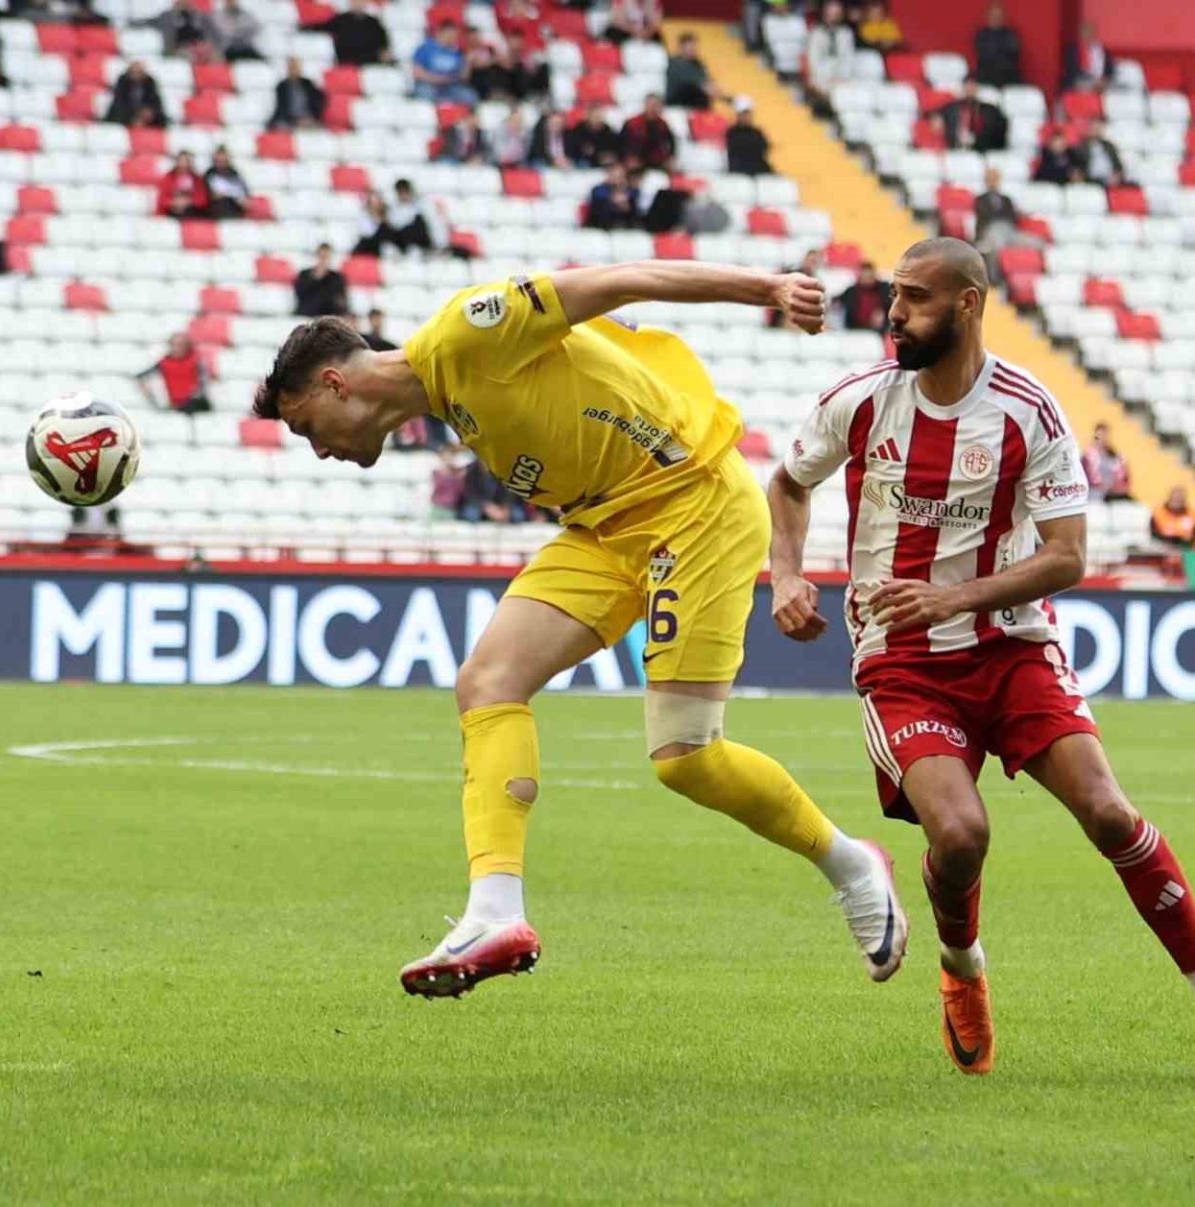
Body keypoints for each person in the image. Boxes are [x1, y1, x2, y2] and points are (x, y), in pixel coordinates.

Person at [250, 261, 907, 1000]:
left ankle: (852, 864)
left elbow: (619, 280)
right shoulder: (449, 398)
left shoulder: (466, 332)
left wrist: (767, 289)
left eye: (307, 428)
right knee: (486, 683)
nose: (320, 449)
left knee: (686, 756)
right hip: (602, 529)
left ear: (335, 384)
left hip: (694, 506)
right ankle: (495, 912)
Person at [766, 235, 1195, 1081]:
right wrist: (786, 573)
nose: (895, 313)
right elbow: (789, 483)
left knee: (1110, 813)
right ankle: (962, 966)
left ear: (968, 304)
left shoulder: (1027, 411)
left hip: (1012, 647)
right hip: (902, 659)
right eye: (894, 294)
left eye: (915, 297)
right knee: (961, 833)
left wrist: (956, 597)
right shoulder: (860, 401)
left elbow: (1068, 555)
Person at [137, 332, 211, 414]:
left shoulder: (196, 360)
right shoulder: (164, 363)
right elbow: (141, 376)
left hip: (195, 402)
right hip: (176, 404)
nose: (177, 348)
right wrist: (150, 394)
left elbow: (203, 384)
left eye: (181, 345)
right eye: (174, 344)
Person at [411, 19, 476, 105]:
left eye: (455, 35)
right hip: (428, 84)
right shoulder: (425, 48)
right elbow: (417, 73)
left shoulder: (456, 53)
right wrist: (438, 79)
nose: (453, 37)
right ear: (440, 33)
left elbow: (463, 78)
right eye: (450, 34)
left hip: (450, 87)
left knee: (469, 96)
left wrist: (467, 62)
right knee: (425, 95)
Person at [806, 0, 857, 106]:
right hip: (822, 77)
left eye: (837, 13)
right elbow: (813, 60)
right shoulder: (816, 33)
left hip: (842, 77)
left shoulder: (846, 33)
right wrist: (826, 77)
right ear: (825, 12)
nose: (834, 16)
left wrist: (842, 76)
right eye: (831, 13)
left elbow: (848, 58)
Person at [941, 78, 1007, 154]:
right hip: (955, 150)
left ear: (977, 88)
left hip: (983, 150)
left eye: (972, 86)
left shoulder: (990, 110)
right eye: (967, 86)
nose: (970, 89)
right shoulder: (951, 108)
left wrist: (976, 140)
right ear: (963, 88)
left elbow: (998, 133)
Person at [320, 0, 392, 67]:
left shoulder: (373, 22)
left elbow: (383, 43)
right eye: (355, 1)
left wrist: (384, 52)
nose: (358, 4)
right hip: (346, 62)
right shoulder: (339, 20)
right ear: (350, 3)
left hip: (370, 62)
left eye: (361, 1)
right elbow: (321, 28)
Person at [141, 0, 214, 60]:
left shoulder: (199, 17)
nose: (185, 4)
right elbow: (149, 22)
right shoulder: (167, 16)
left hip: (196, 47)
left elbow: (206, 33)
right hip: (177, 49)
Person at [621, 94, 676, 171]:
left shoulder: (662, 124)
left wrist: (670, 157)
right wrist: (628, 157)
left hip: (656, 161)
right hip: (635, 161)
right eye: (650, 104)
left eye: (656, 105)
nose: (652, 108)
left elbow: (671, 142)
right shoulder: (632, 123)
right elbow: (621, 143)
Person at [664, 32, 718, 110]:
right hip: (678, 107)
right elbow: (705, 86)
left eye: (694, 47)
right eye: (690, 48)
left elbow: (710, 83)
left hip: (697, 108)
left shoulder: (698, 64)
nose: (693, 49)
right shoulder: (675, 64)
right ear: (681, 48)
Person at [105, 61, 168, 128]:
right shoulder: (123, 82)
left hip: (145, 116)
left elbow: (155, 100)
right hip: (125, 115)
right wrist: (134, 117)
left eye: (139, 72)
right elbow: (120, 102)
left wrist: (149, 112)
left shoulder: (150, 82)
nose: (136, 75)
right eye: (134, 72)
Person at [294, 243, 349, 317]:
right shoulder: (304, 275)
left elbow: (341, 300)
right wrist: (316, 277)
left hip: (328, 315)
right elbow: (300, 294)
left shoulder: (337, 278)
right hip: (307, 313)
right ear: (316, 256)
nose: (323, 260)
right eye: (321, 256)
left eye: (326, 257)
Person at [973, 2, 1020, 88]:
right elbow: (984, 56)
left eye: (999, 16)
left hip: (1008, 76)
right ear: (987, 17)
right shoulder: (981, 35)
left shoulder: (1010, 35)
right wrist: (1000, 51)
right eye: (993, 16)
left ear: (1003, 18)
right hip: (986, 75)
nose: (996, 19)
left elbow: (1013, 54)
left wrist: (996, 51)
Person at [269, 57, 324, 128]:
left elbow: (317, 103)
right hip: (289, 120)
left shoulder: (308, 84)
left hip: (308, 118)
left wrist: (311, 117)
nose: (294, 69)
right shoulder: (282, 86)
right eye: (292, 67)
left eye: (296, 67)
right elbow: (281, 108)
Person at [837, 261, 892, 331]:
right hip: (856, 329)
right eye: (864, 277)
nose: (867, 280)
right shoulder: (851, 291)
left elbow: (892, 304)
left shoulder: (884, 288)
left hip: (880, 329)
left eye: (869, 277)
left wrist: (883, 313)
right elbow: (837, 302)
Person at [1081, 422, 1130, 501]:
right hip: (1095, 496)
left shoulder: (1114, 456)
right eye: (1101, 435)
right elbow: (1091, 478)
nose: (1103, 438)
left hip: (1112, 495)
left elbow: (1123, 477)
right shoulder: (1088, 456)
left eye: (1105, 435)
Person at [584, 163, 642, 230]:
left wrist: (625, 198)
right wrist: (614, 200)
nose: (615, 178)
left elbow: (634, 199)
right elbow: (599, 201)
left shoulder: (631, 190)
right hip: (602, 224)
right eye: (613, 175)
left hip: (625, 223)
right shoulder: (598, 189)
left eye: (619, 176)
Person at [725, 99, 773, 176]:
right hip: (739, 169)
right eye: (743, 114)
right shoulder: (731, 132)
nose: (746, 117)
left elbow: (764, 148)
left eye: (748, 114)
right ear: (738, 115)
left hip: (759, 168)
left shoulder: (757, 132)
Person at [1061, 20, 1112, 91]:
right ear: (1080, 35)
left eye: (1090, 33)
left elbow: (1109, 70)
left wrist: (1105, 79)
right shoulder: (1072, 51)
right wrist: (1093, 81)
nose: (1087, 36)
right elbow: (1072, 71)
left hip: (1100, 85)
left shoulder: (1103, 51)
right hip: (1078, 83)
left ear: (1094, 34)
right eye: (1085, 33)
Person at [1071, 118, 1123, 188]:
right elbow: (1077, 165)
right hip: (1090, 180)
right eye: (1094, 128)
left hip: (1109, 179)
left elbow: (1118, 165)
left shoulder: (1109, 146)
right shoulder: (1081, 146)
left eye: (1098, 129)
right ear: (1089, 129)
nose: (1096, 131)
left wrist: (1117, 175)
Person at [202, 145, 250, 219]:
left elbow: (244, 195)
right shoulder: (209, 174)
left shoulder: (235, 174)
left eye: (224, 161)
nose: (221, 164)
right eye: (218, 161)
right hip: (217, 212)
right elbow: (209, 195)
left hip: (235, 211)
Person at [386, 179, 434, 253]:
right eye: (401, 192)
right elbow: (394, 225)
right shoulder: (393, 208)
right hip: (402, 239)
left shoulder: (419, 205)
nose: (404, 195)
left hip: (417, 239)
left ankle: (420, 248)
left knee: (419, 220)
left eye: (405, 192)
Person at [157, 151, 209, 218]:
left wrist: (188, 201)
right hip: (171, 212)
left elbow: (202, 200)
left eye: (186, 161)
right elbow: (162, 200)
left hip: (191, 212)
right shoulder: (168, 177)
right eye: (181, 161)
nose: (184, 164)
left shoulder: (197, 179)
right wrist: (174, 202)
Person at [429, 447, 466, 517]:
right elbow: (437, 487)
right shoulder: (436, 472)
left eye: (450, 457)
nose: (448, 459)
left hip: (452, 507)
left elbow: (460, 490)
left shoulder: (458, 473)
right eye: (445, 457)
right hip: (437, 506)